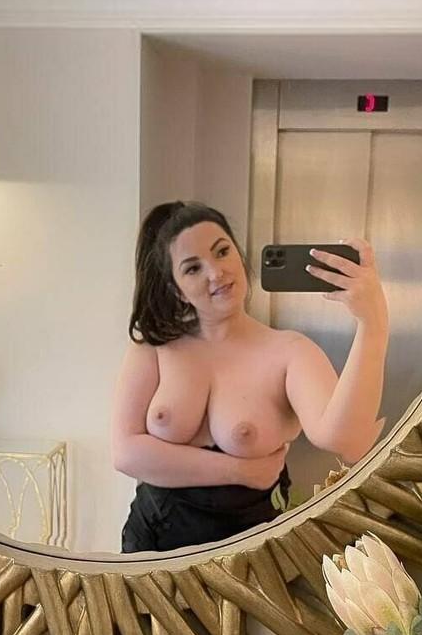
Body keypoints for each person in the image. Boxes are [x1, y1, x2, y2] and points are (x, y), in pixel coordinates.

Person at [112, 201, 388, 553]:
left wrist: (373, 324)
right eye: (193, 267)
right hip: (149, 546)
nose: (216, 273)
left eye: (222, 251)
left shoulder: (290, 352)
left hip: (251, 553)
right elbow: (125, 454)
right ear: (176, 287)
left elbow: (347, 441)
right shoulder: (153, 348)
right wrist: (238, 471)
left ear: (240, 256)